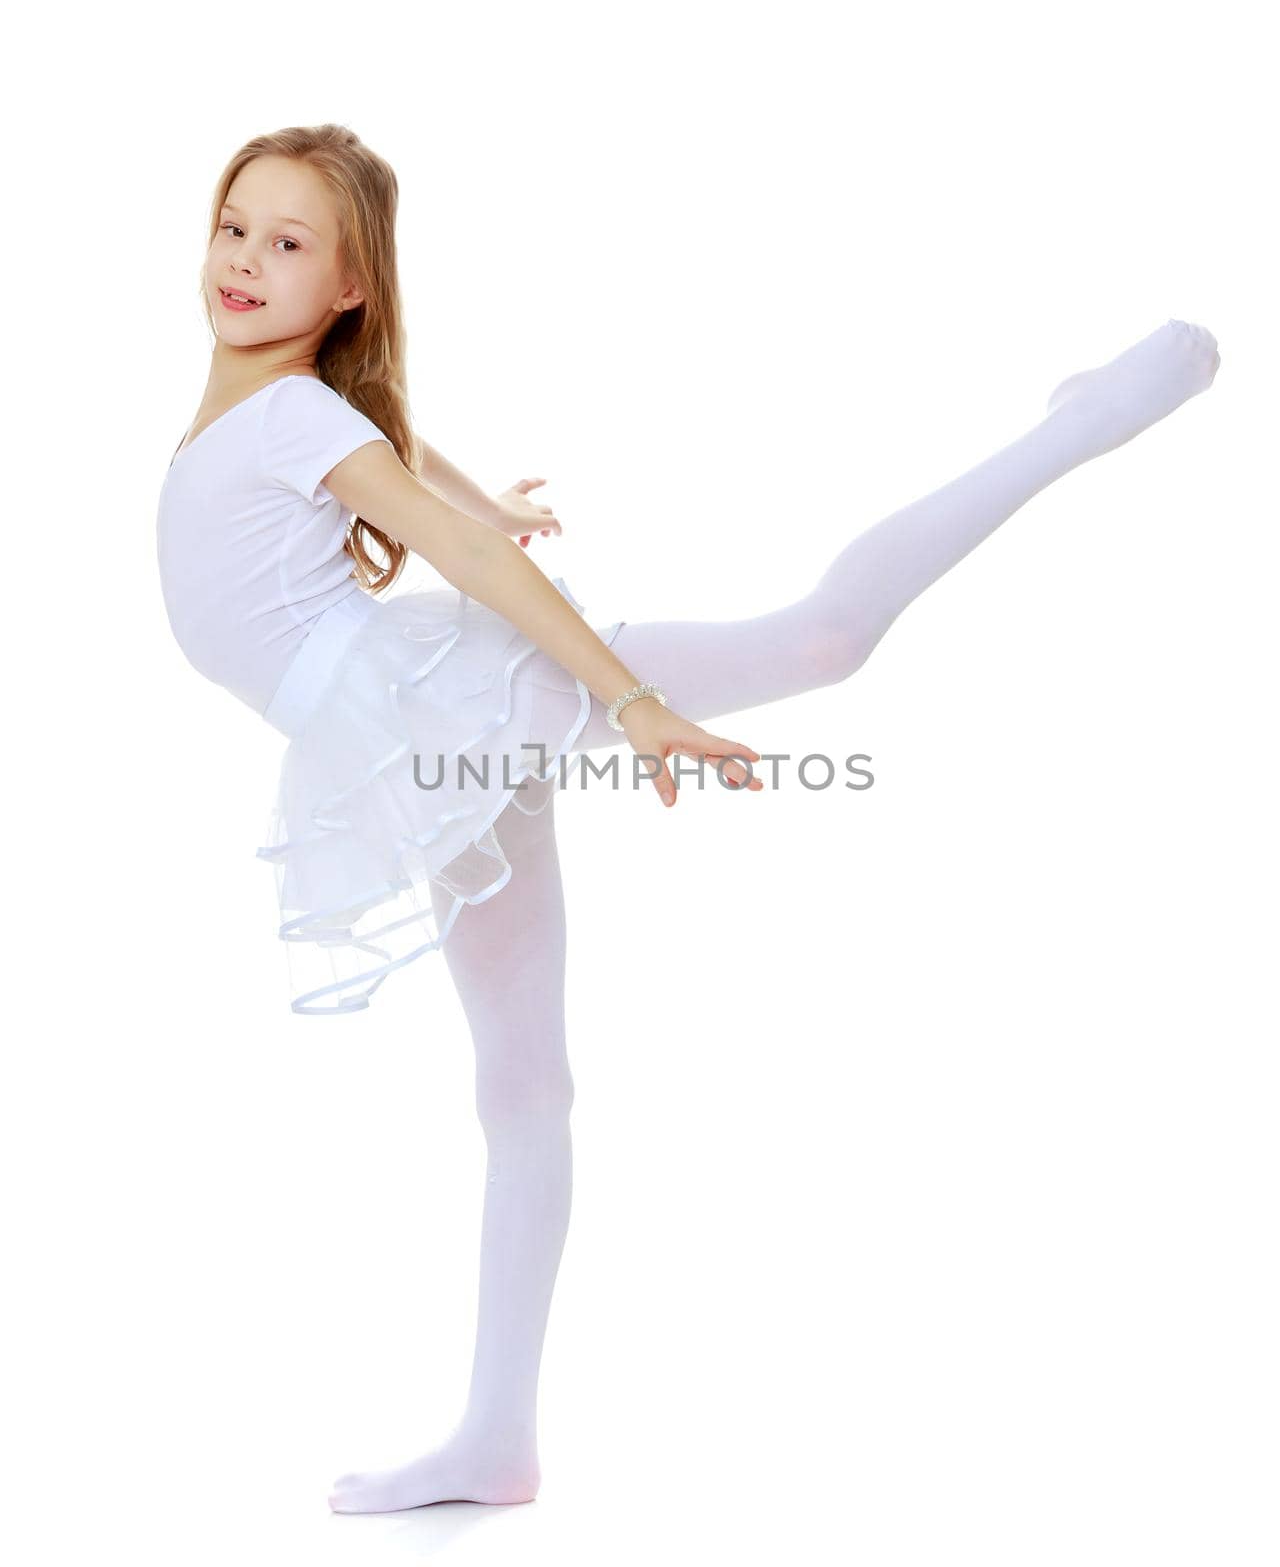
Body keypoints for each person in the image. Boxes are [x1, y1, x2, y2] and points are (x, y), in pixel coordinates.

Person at [156, 122, 1220, 1513]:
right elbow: (402, 449)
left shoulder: (292, 412)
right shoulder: (282, 396)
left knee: (822, 638)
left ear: (349, 284)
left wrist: (632, 694)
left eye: (288, 245)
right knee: (524, 1087)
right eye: (236, 226)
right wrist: (492, 499)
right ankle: (498, 1437)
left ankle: (1089, 414)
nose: (244, 262)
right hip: (409, 743)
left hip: (434, 706)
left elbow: (443, 540)